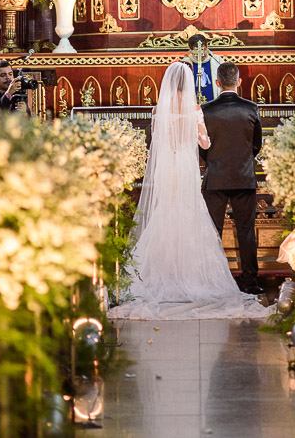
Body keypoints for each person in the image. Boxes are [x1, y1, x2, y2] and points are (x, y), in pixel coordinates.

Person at [108, 62, 268, 320]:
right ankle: (210, 277)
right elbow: (205, 142)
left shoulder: (158, 109)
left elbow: (155, 142)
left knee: (166, 215)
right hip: (188, 168)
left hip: (169, 169)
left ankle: (164, 274)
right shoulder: (196, 110)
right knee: (192, 218)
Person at [201, 62, 263, 294]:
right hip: (244, 177)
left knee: (212, 232)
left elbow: (202, 147)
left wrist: (213, 161)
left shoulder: (207, 110)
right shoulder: (251, 108)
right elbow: (256, 144)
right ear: (238, 81)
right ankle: (250, 282)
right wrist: (243, 162)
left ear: (217, 83)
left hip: (215, 178)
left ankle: (210, 283)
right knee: (246, 231)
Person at [185, 33, 222, 102]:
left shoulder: (217, 60)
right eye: (196, 51)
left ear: (207, 46)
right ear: (190, 50)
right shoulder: (186, 63)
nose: (201, 54)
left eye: (203, 50)